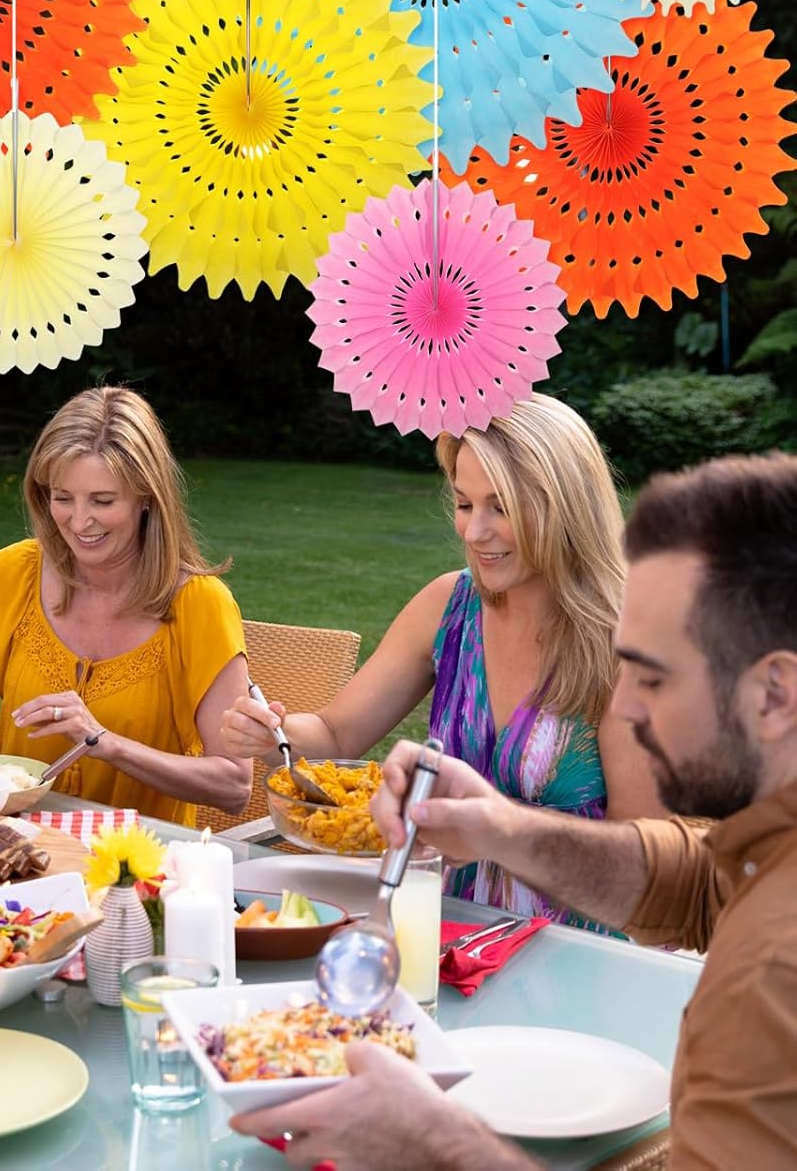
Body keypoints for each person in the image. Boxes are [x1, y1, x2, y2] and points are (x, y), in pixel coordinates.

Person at [232, 451, 797, 1170]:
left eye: (654, 678)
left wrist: (436, 1145)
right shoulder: (767, 851)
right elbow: (689, 879)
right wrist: (500, 827)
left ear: (775, 694)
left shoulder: (770, 982)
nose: (622, 706)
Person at [222, 393, 661, 923]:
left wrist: (497, 832)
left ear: (566, 507)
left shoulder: (626, 648)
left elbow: (642, 869)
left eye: (501, 507)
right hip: (444, 926)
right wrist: (273, 734)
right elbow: (337, 735)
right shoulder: (449, 606)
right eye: (464, 504)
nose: (474, 532)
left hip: (574, 944)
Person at [0, 387, 251, 826]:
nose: (79, 522)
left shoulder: (200, 605)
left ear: (146, 496)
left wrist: (105, 743)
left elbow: (234, 785)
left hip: (133, 860)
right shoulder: (14, 575)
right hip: (13, 848)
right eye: (63, 498)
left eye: (102, 501)